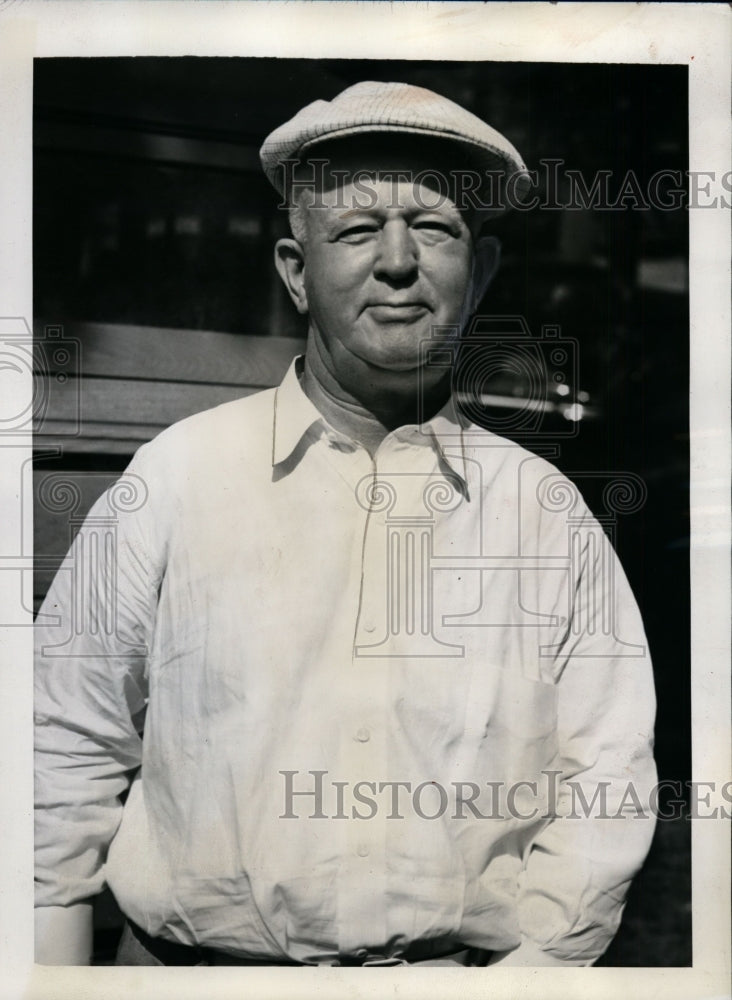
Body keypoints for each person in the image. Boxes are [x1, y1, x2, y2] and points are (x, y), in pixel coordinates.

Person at [34, 80, 657, 967]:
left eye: (433, 229)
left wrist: (537, 976)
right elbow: (59, 745)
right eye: (358, 230)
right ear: (296, 270)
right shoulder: (177, 476)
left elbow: (606, 778)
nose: (398, 262)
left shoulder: (546, 516)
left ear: (479, 274)